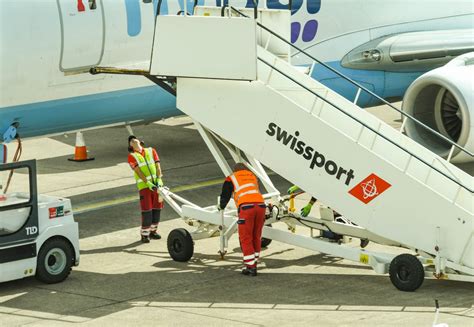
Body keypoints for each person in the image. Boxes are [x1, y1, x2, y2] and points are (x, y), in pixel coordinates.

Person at [218, 163, 266, 277]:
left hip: (246, 208)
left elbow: (225, 195)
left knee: (246, 237)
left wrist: (221, 206)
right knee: (256, 236)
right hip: (260, 206)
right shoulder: (252, 176)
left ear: (235, 171)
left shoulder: (232, 178)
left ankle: (251, 267)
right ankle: (254, 262)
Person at [127, 135, 164, 243]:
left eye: (134, 138)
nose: (133, 140)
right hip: (144, 187)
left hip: (156, 185)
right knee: (147, 210)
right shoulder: (132, 156)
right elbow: (138, 171)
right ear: (130, 146)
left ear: (140, 142)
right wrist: (147, 183)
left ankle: (153, 231)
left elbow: (158, 165)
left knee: (157, 209)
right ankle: (144, 235)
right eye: (130, 141)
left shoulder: (151, 150)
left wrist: (159, 178)